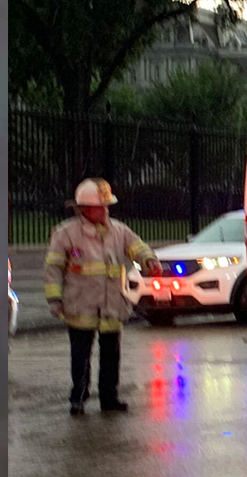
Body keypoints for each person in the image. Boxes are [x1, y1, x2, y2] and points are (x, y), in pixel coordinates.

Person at [43, 178, 161, 416]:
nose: (106, 210)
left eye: (107, 206)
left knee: (111, 354)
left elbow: (136, 246)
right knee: (80, 355)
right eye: (101, 206)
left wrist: (149, 260)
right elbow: (53, 268)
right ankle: (78, 398)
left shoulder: (118, 230)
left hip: (111, 305)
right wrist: (54, 300)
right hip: (80, 305)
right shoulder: (66, 233)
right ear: (84, 209)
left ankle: (109, 397)